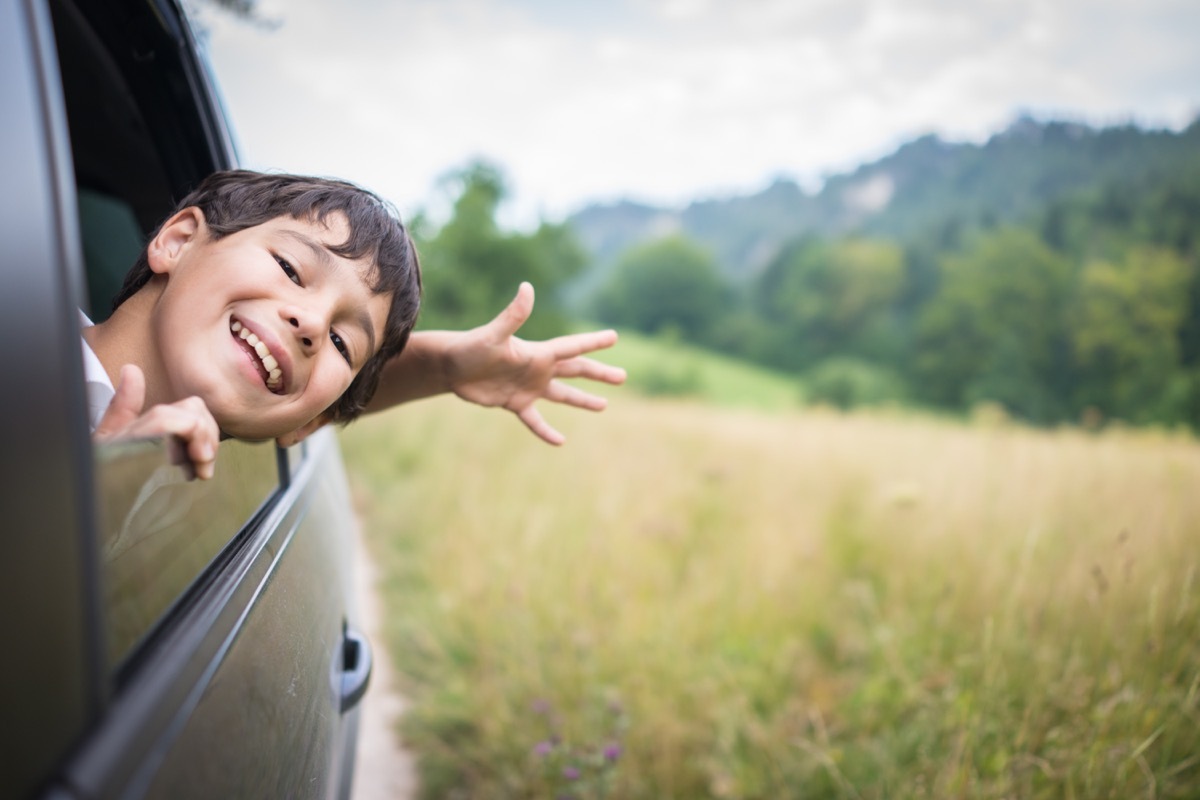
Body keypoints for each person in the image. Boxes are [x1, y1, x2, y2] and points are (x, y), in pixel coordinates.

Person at [82, 170, 626, 479]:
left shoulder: (175, 471)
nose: (313, 325)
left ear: (305, 427)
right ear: (178, 240)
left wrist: (440, 368)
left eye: (343, 343)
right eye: (291, 268)